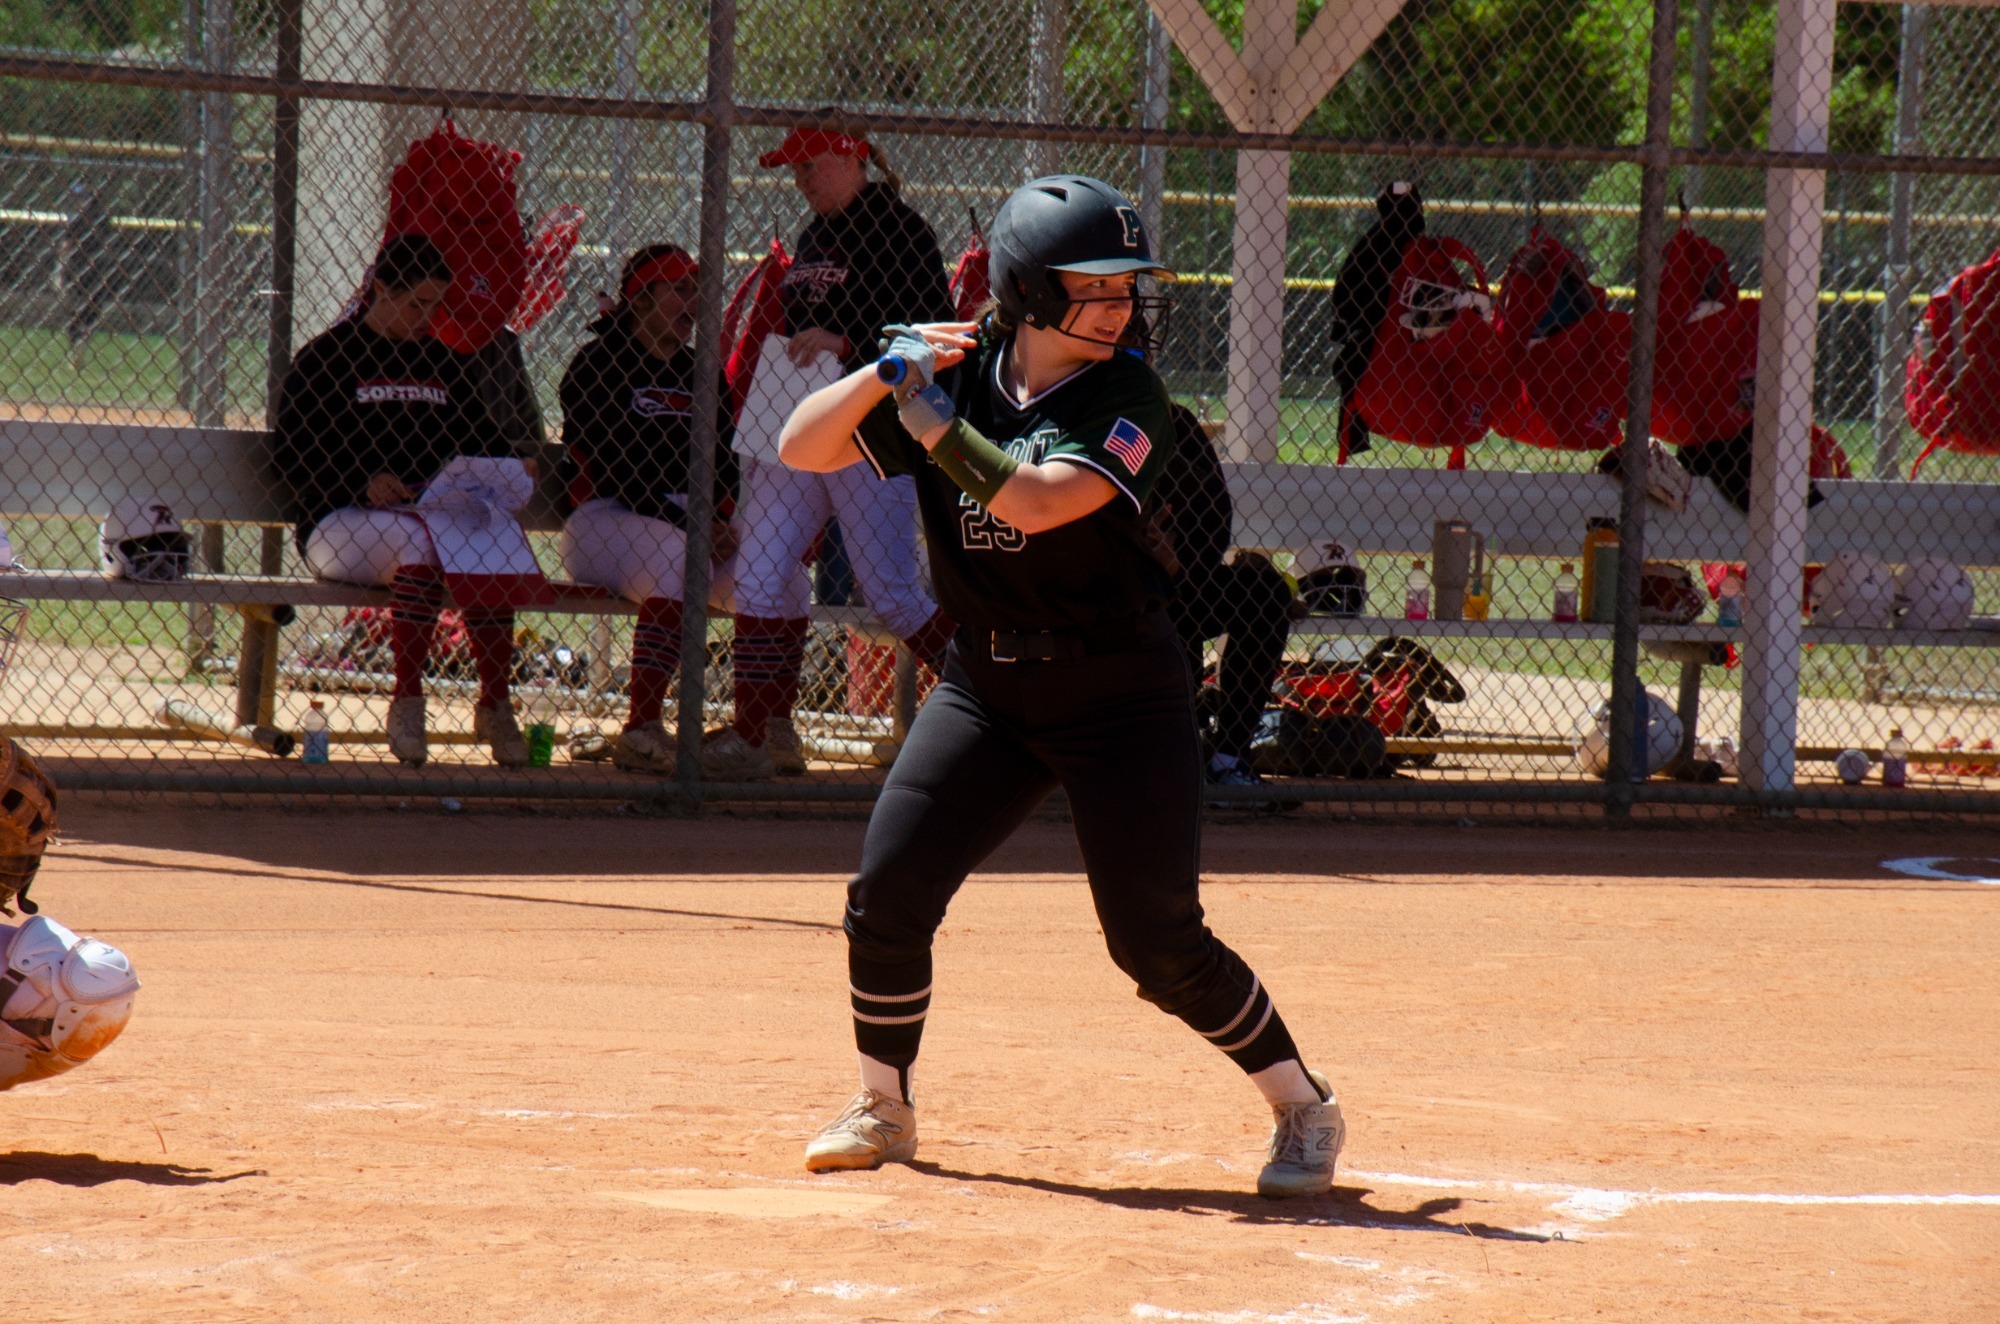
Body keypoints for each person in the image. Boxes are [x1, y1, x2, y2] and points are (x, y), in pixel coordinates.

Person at [778, 175, 1344, 1199]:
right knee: (886, 896)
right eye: (1099, 287)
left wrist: (933, 426)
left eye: (1130, 287)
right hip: (984, 688)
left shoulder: (1126, 399)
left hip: (1118, 691)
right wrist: (882, 373)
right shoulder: (961, 376)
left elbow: (1038, 502)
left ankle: (1302, 1104)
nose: (1124, 307)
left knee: (1154, 942)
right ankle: (883, 1106)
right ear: (1031, 292)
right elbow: (798, 445)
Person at [712, 123, 955, 780]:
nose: (801, 180)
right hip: (801, 421)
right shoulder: (814, 235)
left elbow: (930, 338)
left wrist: (848, 344)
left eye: (810, 166)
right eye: (794, 170)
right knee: (760, 574)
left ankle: (1000, 707)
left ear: (852, 159)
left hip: (870, 429)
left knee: (892, 593)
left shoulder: (903, 232)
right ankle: (756, 734)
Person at [273, 234, 535, 768]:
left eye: (436, 304)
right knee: (416, 540)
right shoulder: (328, 358)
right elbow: (291, 454)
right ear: (381, 291)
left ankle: (495, 703)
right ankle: (408, 701)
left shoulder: (443, 362)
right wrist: (359, 481)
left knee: (496, 542)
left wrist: (509, 465)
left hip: (427, 518)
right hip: (337, 522)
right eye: (418, 303)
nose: (429, 316)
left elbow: (481, 437)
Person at [558, 244, 741, 773]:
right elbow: (614, 468)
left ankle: (760, 733)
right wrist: (696, 524)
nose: (694, 302)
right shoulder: (598, 363)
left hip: (689, 523)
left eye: (698, 291)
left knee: (778, 571)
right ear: (640, 300)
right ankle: (642, 728)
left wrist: (721, 520)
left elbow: (725, 464)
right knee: (677, 558)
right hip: (603, 518)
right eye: (679, 289)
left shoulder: (699, 370)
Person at [1150, 403, 1299, 793]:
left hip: (1178, 583)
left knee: (1263, 591)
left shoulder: (1173, 421)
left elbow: (1216, 518)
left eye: (1136, 347)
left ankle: (1227, 756)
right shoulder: (1072, 412)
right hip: (1094, 592)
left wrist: (1178, 563)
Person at [57, 182, 115, 367]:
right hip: (95, 269)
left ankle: (77, 341)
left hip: (78, 268)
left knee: (78, 309)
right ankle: (80, 340)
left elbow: (66, 246)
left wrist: (59, 269)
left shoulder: (77, 218)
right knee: (88, 310)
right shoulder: (101, 218)